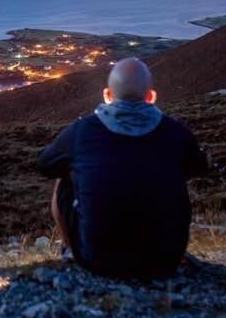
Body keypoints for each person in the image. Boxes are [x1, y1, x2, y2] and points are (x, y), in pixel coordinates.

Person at [37, 57, 209, 279]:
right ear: (150, 97)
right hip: (165, 261)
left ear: (108, 95)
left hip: (98, 261)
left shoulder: (83, 131)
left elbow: (45, 165)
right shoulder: (176, 133)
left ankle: (70, 249)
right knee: (174, 172)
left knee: (63, 177)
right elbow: (200, 167)